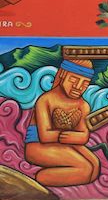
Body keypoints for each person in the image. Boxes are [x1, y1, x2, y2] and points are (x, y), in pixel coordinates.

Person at [24, 59, 100, 187]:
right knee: (86, 168)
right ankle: (40, 178)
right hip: (37, 146)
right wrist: (69, 136)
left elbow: (83, 136)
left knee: (95, 166)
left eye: (85, 83)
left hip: (66, 144)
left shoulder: (83, 105)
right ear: (63, 74)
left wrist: (77, 137)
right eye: (74, 80)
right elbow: (45, 136)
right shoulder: (46, 100)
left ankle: (58, 174)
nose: (78, 86)